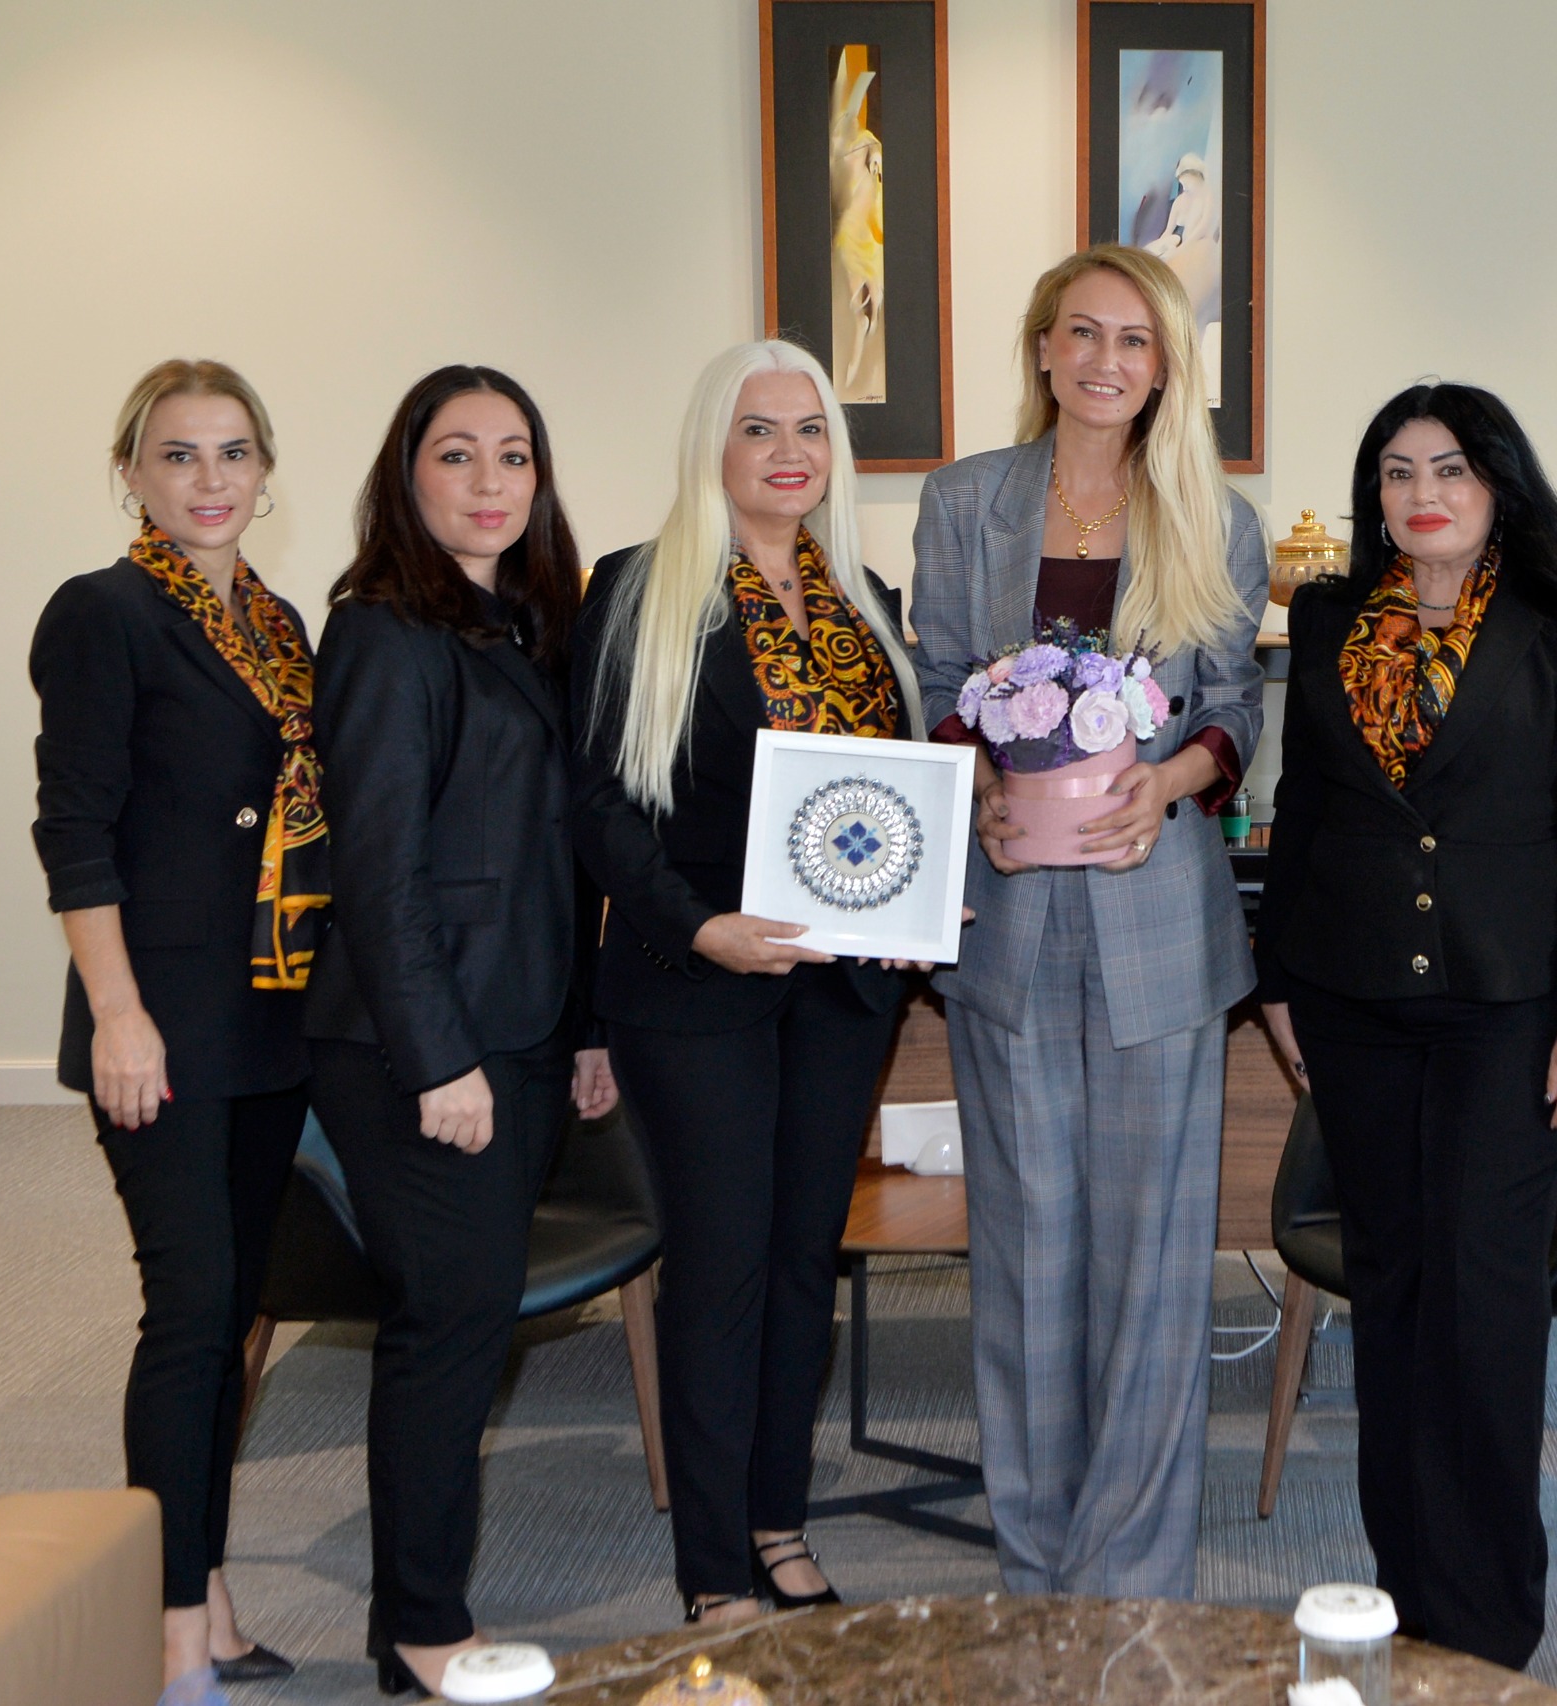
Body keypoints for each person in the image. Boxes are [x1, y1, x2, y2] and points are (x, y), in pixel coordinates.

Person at [1252, 383, 1557, 1670]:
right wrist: (1277, 976)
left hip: (1510, 1010)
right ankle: (1412, 1599)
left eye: (1452, 469)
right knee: (1395, 1295)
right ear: (1373, 497)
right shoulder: (1329, 617)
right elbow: (1305, 806)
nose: (1422, 493)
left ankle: (1487, 1629)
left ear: (1498, 486)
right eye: (1397, 470)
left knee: (1482, 1307)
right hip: (1356, 1004)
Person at [907, 244, 1267, 1597]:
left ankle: (1135, 1577)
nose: (1104, 359)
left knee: (1154, 1272)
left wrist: (1167, 784)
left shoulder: (1213, 517)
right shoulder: (965, 501)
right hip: (1005, 925)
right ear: (1043, 350)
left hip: (1156, 928)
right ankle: (1038, 1566)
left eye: (1133, 339)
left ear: (1164, 365)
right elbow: (938, 678)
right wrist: (982, 785)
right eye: (1081, 333)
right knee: (1026, 1259)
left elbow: (1233, 704)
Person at [569, 340, 925, 1624]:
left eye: (809, 429)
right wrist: (700, 926)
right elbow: (597, 803)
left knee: (800, 1262)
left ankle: (779, 1518)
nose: (788, 452)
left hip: (840, 994)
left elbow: (893, 794)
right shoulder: (636, 588)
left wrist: (912, 903)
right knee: (720, 1266)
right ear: (711, 445)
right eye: (758, 428)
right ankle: (715, 1565)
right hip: (695, 980)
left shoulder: (866, 598)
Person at [303, 366, 617, 1697]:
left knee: (472, 1314)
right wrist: (440, 1058)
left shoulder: (528, 626)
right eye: (456, 454)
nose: (490, 482)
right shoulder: (382, 631)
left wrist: (585, 1026)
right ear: (406, 473)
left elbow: (561, 853)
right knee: (450, 1323)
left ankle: (416, 1610)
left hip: (528, 1022)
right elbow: (376, 873)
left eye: (514, 455)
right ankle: (420, 1624)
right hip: (418, 1042)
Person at [29, 359, 319, 1699]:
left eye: (233, 452)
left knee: (233, 1309)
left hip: (266, 1016)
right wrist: (118, 1014)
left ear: (265, 471)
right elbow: (74, 829)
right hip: (155, 1020)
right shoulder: (103, 612)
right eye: (179, 454)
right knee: (190, 1312)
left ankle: (204, 1582)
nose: (210, 479)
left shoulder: (276, 622)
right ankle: (168, 1625)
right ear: (131, 473)